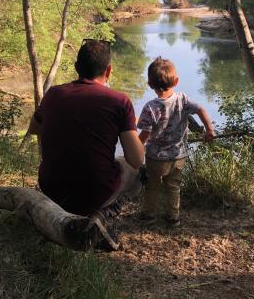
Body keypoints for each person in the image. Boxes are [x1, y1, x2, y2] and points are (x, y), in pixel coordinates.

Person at [27, 39, 144, 220]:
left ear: (76, 67)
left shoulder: (54, 94)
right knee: (137, 171)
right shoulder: (119, 101)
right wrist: (129, 126)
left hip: (52, 189)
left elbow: (34, 128)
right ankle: (105, 214)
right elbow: (136, 159)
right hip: (95, 193)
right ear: (109, 70)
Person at [137, 57, 215, 227]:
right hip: (178, 156)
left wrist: (136, 147)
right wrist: (209, 129)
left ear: (150, 84)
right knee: (174, 187)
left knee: (153, 187)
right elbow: (201, 109)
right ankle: (173, 217)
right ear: (176, 81)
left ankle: (149, 215)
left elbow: (145, 134)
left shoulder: (150, 107)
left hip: (155, 158)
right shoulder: (183, 100)